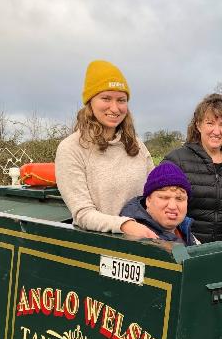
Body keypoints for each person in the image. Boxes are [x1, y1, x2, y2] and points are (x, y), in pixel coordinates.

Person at [55, 60, 156, 238]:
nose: (115, 108)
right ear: (90, 102)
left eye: (121, 100)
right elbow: (83, 214)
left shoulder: (138, 146)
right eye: (106, 98)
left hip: (145, 241)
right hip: (100, 247)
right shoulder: (71, 149)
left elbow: (156, 193)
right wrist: (125, 225)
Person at [164, 94, 222, 243]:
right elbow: (157, 203)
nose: (217, 131)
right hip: (187, 247)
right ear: (198, 125)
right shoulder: (176, 160)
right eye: (210, 123)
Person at [119, 162, 199, 245]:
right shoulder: (137, 238)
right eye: (164, 198)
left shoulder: (185, 230)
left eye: (179, 199)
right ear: (148, 200)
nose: (172, 206)